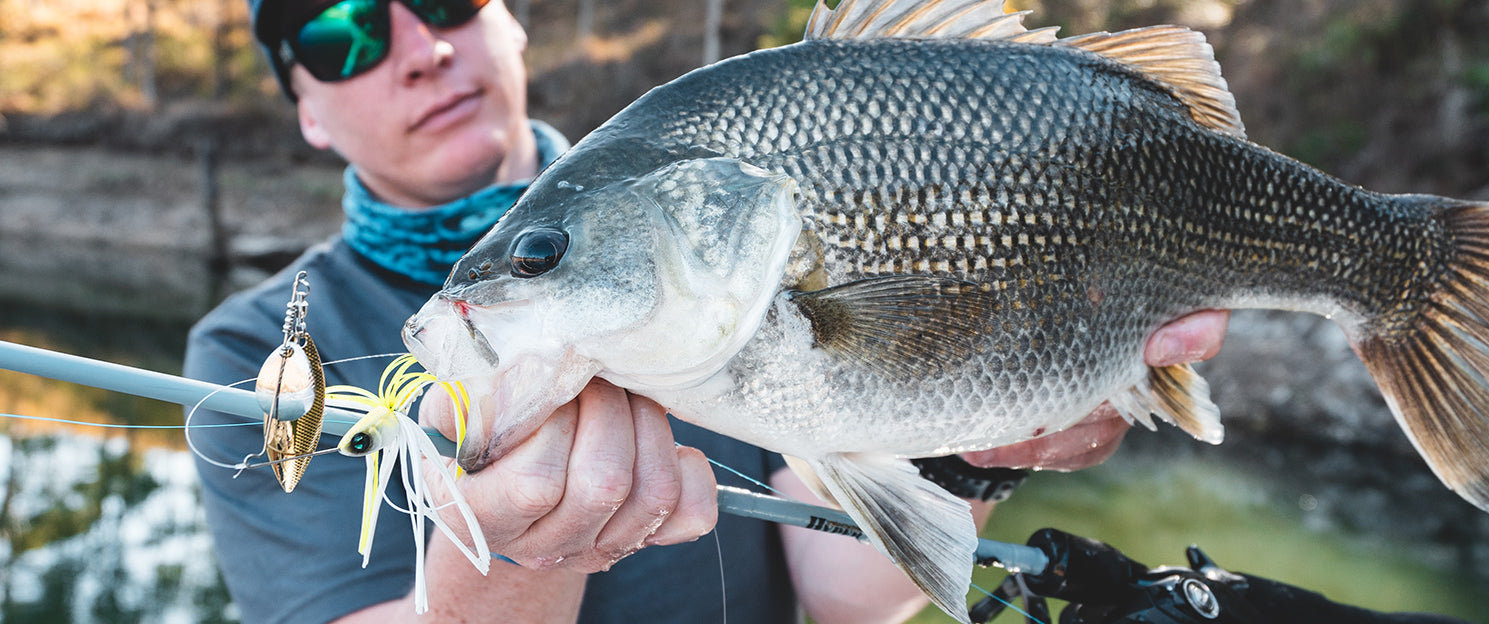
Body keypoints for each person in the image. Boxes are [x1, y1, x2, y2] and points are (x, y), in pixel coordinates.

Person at [183, 1, 1233, 622]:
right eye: (341, 32)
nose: (421, 47)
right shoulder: (260, 356)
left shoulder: (709, 220)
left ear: (509, 24)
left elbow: (841, 590)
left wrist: (973, 448)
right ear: (307, 114)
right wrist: (501, 575)